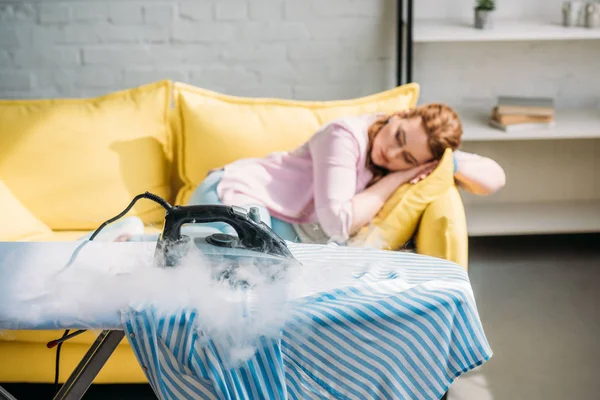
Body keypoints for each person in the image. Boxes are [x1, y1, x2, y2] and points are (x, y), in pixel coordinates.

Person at [187, 103, 506, 245]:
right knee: (236, 274)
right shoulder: (344, 136)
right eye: (398, 138)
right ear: (401, 114)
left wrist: (446, 164)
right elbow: (336, 224)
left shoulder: (420, 151)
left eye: (406, 158)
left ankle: (139, 236)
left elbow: (495, 178)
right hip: (233, 195)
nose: (391, 154)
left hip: (276, 226)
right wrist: (396, 178)